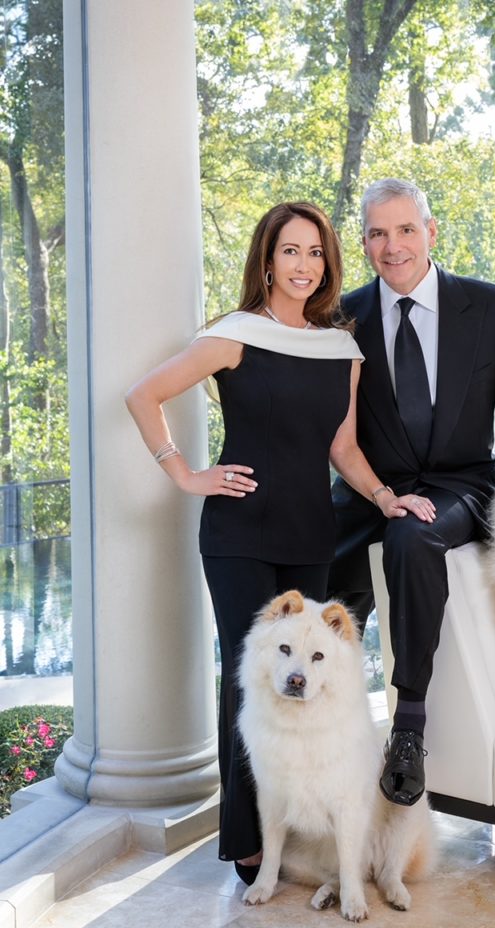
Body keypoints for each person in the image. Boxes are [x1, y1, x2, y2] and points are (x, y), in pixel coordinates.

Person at [125, 201, 430, 883]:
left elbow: (342, 447)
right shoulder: (235, 335)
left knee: (301, 679)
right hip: (238, 534)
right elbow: (144, 395)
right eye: (290, 251)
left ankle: (292, 820)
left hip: (308, 534)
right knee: (250, 681)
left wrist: (385, 498)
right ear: (266, 259)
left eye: (315, 252)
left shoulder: (339, 347)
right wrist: (184, 473)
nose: (303, 265)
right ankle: (244, 842)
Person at [328, 178, 495, 807]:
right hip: (368, 488)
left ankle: (408, 726)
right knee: (306, 560)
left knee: (411, 538)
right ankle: (318, 741)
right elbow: (325, 422)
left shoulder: (486, 306)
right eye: (377, 233)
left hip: (459, 485)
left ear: (431, 233)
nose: (392, 245)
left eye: (406, 230)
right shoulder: (343, 317)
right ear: (365, 241)